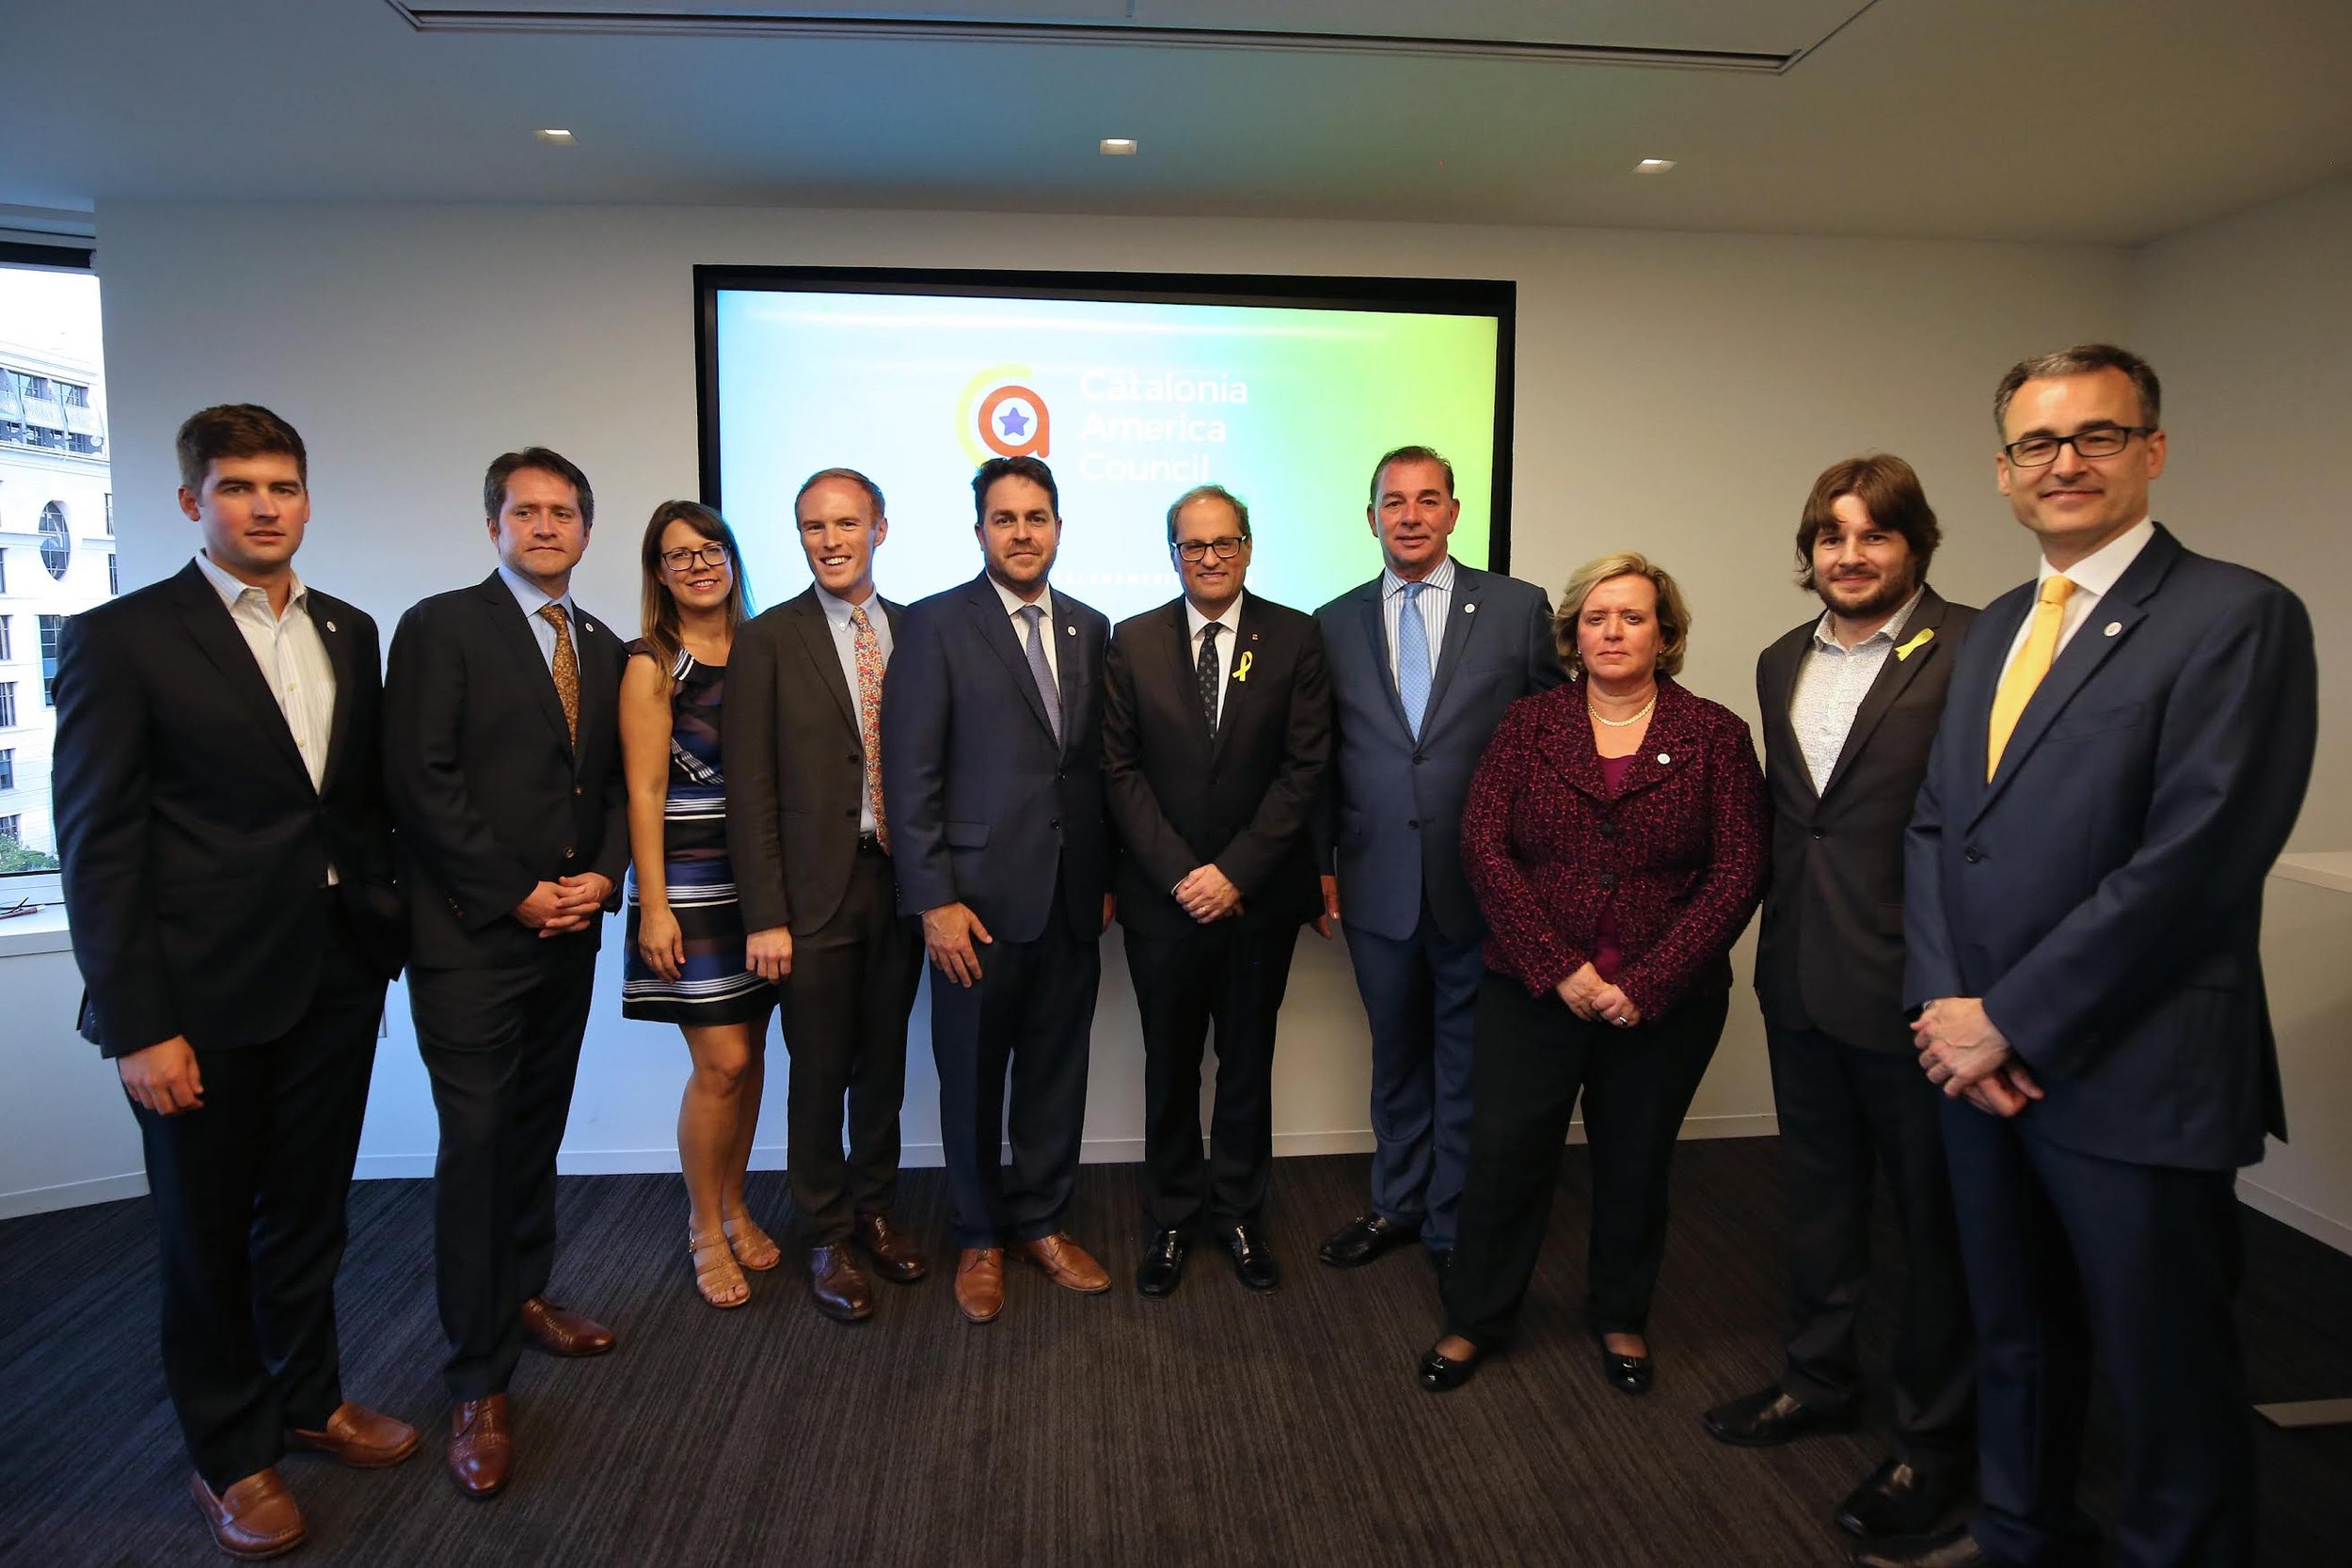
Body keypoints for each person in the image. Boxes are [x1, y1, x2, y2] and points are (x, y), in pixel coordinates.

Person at [1864, 345, 2317, 1568]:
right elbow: (1938, 824)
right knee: (2013, 1330)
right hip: (1978, 1060)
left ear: (2152, 449)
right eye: (2036, 444)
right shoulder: (2003, 620)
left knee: (2162, 1359)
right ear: (2004, 473)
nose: (2064, 463)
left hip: (2135, 1064)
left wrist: (2007, 1018)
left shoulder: (2239, 616)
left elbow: (2198, 857)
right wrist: (1950, 1009)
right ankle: (2020, 1528)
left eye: (2097, 435)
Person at [53, 404, 416, 1559]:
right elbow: (97, 845)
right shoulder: (123, 637)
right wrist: (137, 1023)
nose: (265, 505)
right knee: (204, 1234)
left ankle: (308, 1398)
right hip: (196, 1000)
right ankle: (229, 1450)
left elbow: (350, 805)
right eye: (239, 486)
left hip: (335, 974)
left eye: (284, 485)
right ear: (190, 503)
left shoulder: (349, 631)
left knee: (307, 1215)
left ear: (307, 498)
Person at [1705, 455, 1979, 1541]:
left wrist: (1963, 982)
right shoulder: (1780, 660)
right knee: (1818, 1201)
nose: (1849, 555)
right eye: (1830, 536)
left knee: (1933, 1225)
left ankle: (1929, 1440)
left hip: (1921, 989)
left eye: (1873, 536)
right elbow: (1797, 822)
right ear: (1808, 550)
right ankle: (1817, 1379)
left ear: (1914, 544)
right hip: (1803, 977)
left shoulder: (1973, 647)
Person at [1419, 552, 1766, 1395]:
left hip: (1663, 1004)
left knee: (1634, 1162)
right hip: (1533, 990)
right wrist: (1558, 966)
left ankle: (1621, 1314)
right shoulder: (1528, 724)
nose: (1613, 632)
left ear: (1666, 632)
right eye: (1597, 617)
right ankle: (1476, 1318)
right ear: (1573, 633)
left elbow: (1740, 870)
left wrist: (1647, 983)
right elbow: (1483, 846)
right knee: (1505, 1160)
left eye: (1633, 616)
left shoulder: (1714, 733)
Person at [383, 447, 629, 1499]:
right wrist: (518, 888)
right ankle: (476, 1378)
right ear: (495, 524)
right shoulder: (442, 626)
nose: (544, 526)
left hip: (568, 933)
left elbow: (617, 782)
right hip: (472, 938)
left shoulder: (608, 645)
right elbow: (420, 781)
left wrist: (604, 877)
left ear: (585, 529)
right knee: (476, 1146)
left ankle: (526, 1293)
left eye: (563, 512)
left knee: (534, 1127)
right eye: (525, 511)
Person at [1313, 446, 1564, 1279]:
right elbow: (1319, 758)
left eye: (1427, 500)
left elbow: (1552, 740)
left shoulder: (1517, 607)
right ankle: (1398, 1202)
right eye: (1394, 501)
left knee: (1468, 1061)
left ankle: (1456, 1220)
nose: (1411, 515)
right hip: (1376, 878)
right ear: (1372, 515)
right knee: (1397, 1054)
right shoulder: (1333, 620)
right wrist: (1321, 866)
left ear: (1455, 511)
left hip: (1486, 883)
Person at [880, 454, 1115, 1323]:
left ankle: (1043, 1220)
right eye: (1006, 518)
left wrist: (1104, 879)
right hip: (970, 906)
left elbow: (1091, 770)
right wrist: (932, 899)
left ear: (1058, 526)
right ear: (979, 529)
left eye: (1038, 517)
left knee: (1058, 1071)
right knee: (973, 1076)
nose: (1023, 533)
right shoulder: (938, 625)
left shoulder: (1091, 627)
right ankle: (979, 1234)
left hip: (1070, 898)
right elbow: (909, 774)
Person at [1103, 483, 1331, 1297]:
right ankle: (1171, 1215)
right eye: (1192, 546)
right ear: (1173, 552)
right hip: (1161, 902)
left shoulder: (1297, 638)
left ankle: (1237, 1210)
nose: (1209, 558)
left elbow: (1305, 769)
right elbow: (1119, 771)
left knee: (1246, 1062)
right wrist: (1180, 873)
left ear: (1248, 547)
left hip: (1257, 899)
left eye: (1223, 543)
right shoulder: (1130, 642)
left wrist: (1234, 871)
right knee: (1168, 1062)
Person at [723, 469, 928, 1323]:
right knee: (819, 1070)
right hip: (811, 894)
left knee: (884, 1062)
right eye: (814, 526)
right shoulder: (768, 638)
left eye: (848, 523)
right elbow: (751, 787)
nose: (831, 539)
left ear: (881, 527)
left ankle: (875, 1207)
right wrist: (765, 912)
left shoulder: (924, 631)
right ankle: (824, 1230)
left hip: (905, 883)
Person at [616, 501, 777, 1310]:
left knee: (751, 1058)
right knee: (723, 1064)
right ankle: (703, 1226)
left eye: (710, 548)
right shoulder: (653, 662)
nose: (698, 564)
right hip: (687, 884)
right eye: (678, 555)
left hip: (761, 882)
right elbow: (644, 791)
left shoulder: (764, 647)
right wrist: (652, 907)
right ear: (659, 573)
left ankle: (738, 1202)